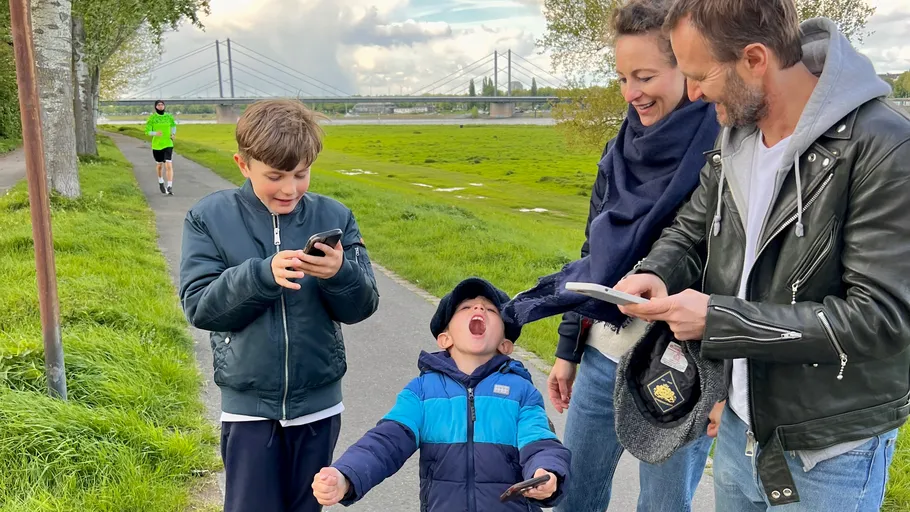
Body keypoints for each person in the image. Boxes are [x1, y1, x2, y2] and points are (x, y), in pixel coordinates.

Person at [615, 1, 910, 510]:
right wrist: (655, 273)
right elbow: (691, 230)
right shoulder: (736, 133)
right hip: (738, 432)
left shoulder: (884, 147)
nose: (692, 93)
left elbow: (881, 317)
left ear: (754, 59)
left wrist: (719, 320)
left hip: (829, 454)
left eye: (701, 75)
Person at [503, 1, 720, 510]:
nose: (631, 93)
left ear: (687, 72)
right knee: (571, 497)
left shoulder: (725, 148)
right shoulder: (618, 149)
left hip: (681, 368)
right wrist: (567, 350)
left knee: (663, 507)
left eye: (645, 76)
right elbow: (591, 255)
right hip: (603, 354)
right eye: (622, 77)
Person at [178, 99, 380, 512]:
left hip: (319, 406)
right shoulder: (208, 217)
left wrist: (340, 272)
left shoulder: (335, 215)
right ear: (242, 163)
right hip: (249, 410)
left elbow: (362, 306)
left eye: (300, 174)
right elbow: (201, 307)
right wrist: (261, 275)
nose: (289, 189)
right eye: (275, 176)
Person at [311, 277, 571, 511]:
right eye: (465, 308)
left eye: (491, 310)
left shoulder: (521, 392)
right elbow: (385, 443)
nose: (479, 309)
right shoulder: (422, 392)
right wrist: (346, 475)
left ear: (505, 345)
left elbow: (540, 442)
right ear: (445, 338)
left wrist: (548, 471)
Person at [145, 100, 177, 194]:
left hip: (168, 143)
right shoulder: (152, 118)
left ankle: (170, 186)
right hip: (157, 145)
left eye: (162, 105)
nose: (161, 106)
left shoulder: (169, 116)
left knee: (168, 163)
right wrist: (155, 133)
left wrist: (173, 134)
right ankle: (160, 181)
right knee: (159, 165)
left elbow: (173, 125)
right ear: (155, 107)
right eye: (158, 105)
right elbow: (147, 132)